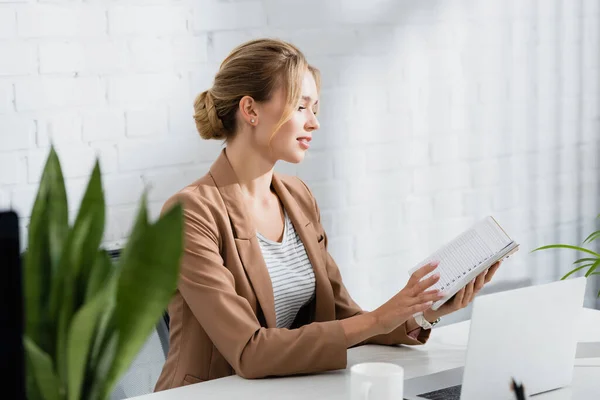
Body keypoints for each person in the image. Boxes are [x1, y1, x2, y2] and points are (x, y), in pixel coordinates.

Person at [154, 38, 500, 391]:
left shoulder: (298, 197)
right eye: (301, 107)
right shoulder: (190, 213)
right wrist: (380, 317)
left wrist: (422, 312)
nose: (314, 122)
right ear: (251, 110)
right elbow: (249, 351)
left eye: (315, 108)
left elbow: (343, 317)